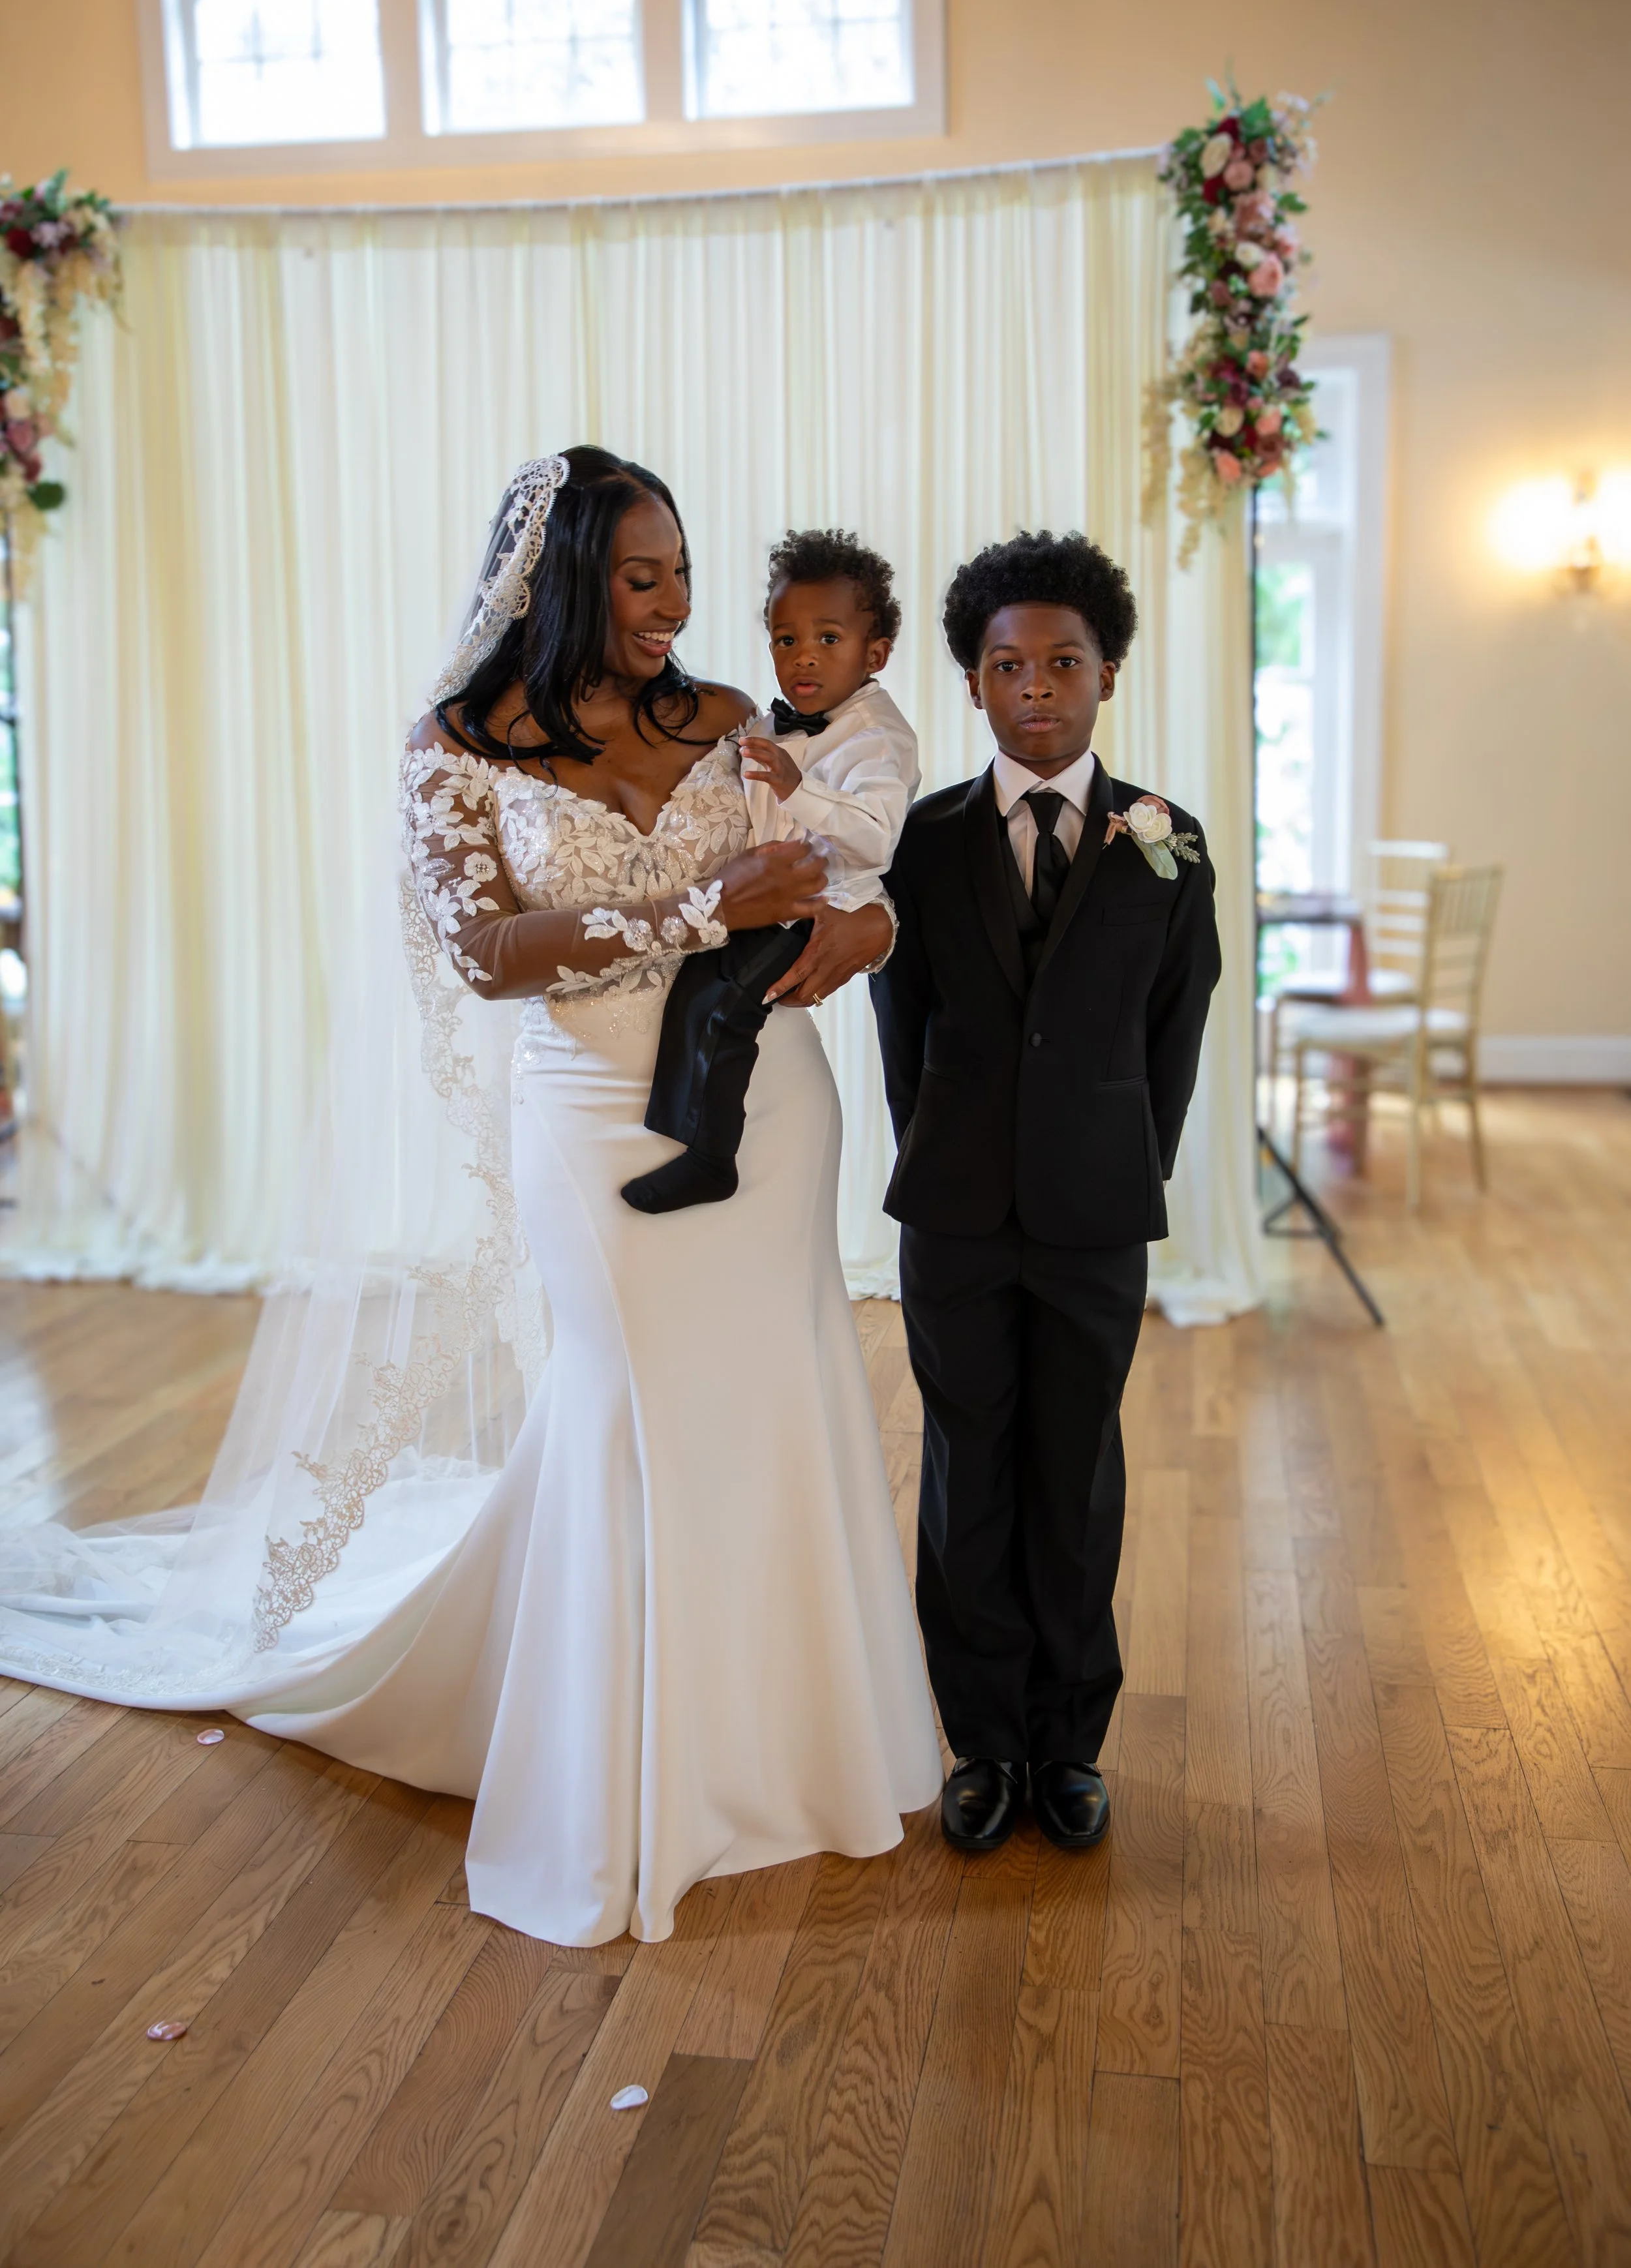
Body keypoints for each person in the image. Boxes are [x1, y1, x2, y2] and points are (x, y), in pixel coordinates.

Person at [0, 447, 942, 1947]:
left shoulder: (725, 717)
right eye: (642, 577)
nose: (674, 605)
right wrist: (693, 907)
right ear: (561, 578)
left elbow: (834, 861)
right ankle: (631, 1769)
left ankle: (791, 1748)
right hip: (592, 1118)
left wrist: (873, 925)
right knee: (629, 1401)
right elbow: (482, 951)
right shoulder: (455, 744)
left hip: (769, 1102)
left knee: (776, 1388)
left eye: (682, 574)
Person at [872, 530, 1221, 1856]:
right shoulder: (921, 841)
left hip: (1095, 1209)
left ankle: (1069, 1743)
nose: (1035, 688)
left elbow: (1177, 1025)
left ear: (1107, 673)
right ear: (971, 681)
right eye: (1007, 666)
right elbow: (901, 1030)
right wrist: (946, 1155)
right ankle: (984, 1744)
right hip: (955, 1213)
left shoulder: (1165, 839)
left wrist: (1125, 1160)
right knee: (966, 1470)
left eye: (1062, 663)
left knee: (1075, 1472)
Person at [626, 528, 918, 1215]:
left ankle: (710, 1158)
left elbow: (876, 840)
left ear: (875, 654)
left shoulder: (879, 737)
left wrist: (796, 788)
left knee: (725, 1008)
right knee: (696, 991)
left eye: (828, 639)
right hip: (764, 900)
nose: (803, 657)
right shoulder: (765, 723)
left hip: (817, 909)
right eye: (786, 640)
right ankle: (677, 1134)